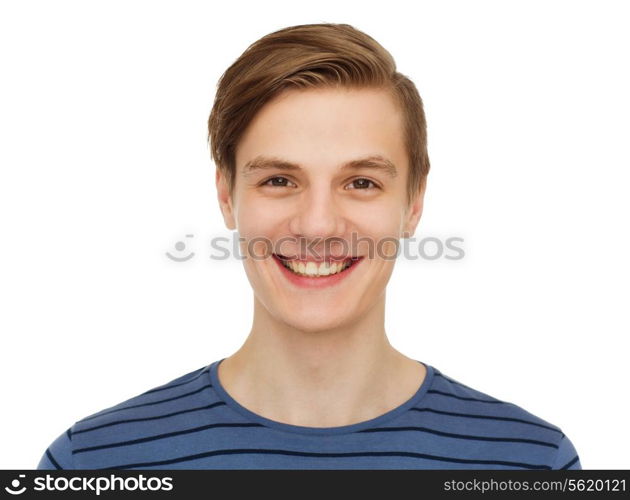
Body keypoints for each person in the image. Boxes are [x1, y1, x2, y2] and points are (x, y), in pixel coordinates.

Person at [37, 22, 581, 470]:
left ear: (414, 203)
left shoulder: (532, 464)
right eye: (278, 180)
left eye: (361, 182)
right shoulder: (90, 463)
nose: (318, 226)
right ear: (227, 197)